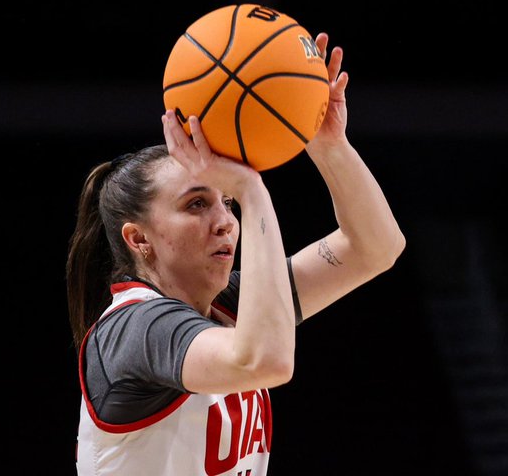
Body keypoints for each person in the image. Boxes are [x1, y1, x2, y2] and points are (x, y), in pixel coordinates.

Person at [66, 32, 405, 476]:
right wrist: (249, 189)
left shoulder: (227, 307)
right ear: (138, 238)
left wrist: (328, 147)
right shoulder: (136, 328)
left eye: (226, 201)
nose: (226, 220)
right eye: (196, 204)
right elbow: (265, 360)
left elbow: (375, 248)